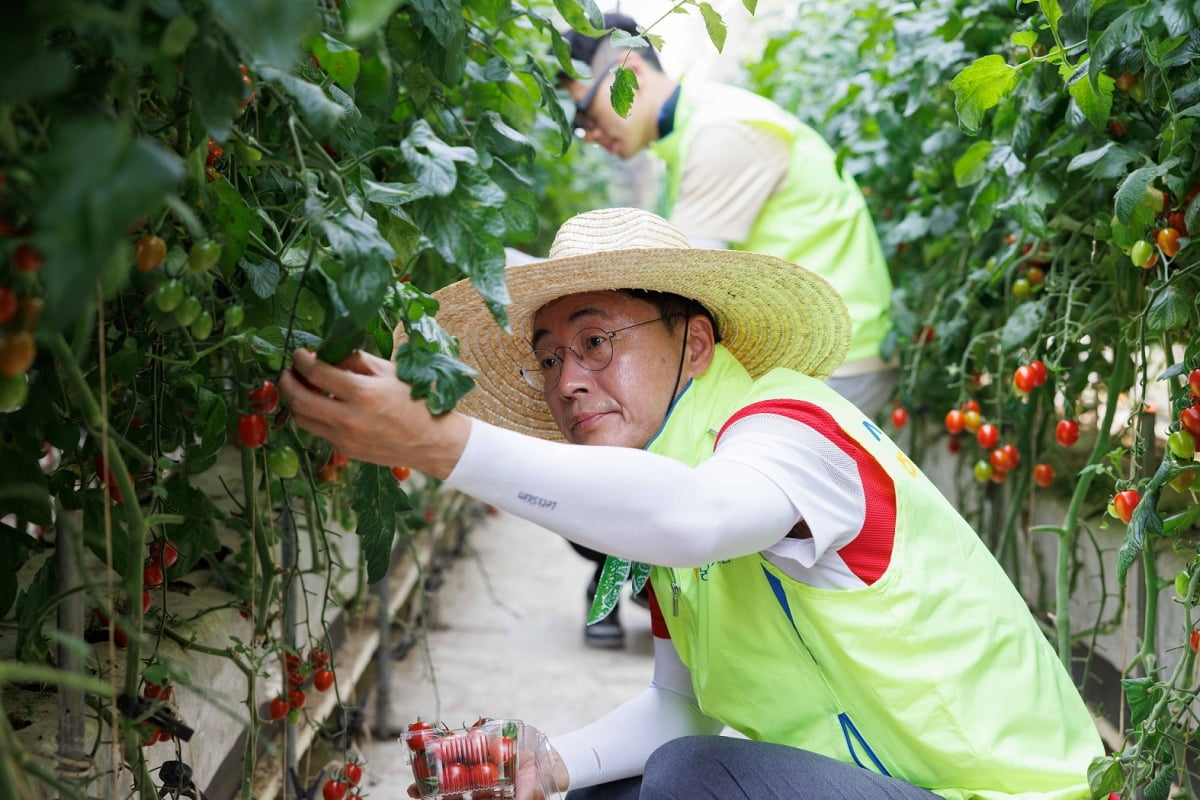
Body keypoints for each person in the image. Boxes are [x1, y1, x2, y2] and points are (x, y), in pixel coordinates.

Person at [279, 207, 1103, 800]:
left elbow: (695, 518)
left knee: (687, 783)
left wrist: (440, 444)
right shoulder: (670, 487)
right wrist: (549, 761)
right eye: (550, 355)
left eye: (597, 341)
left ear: (697, 343)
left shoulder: (793, 428)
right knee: (620, 791)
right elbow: (680, 708)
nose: (568, 378)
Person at [557, 13, 901, 635]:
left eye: (583, 114)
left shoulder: (725, 133)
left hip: (831, 370)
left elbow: (681, 288)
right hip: (800, 366)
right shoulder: (693, 137)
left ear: (624, 70)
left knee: (644, 468)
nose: (587, 133)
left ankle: (646, 585)